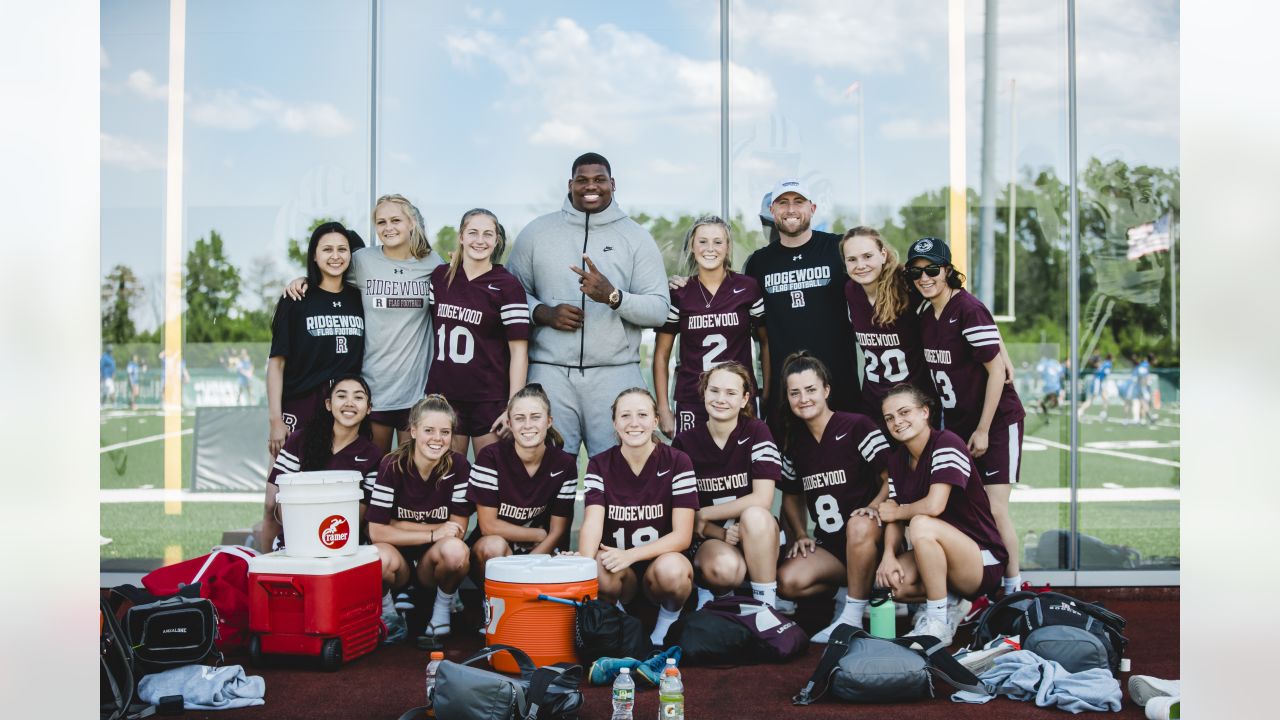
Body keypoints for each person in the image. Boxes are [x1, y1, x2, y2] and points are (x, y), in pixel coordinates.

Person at [507, 152, 670, 458]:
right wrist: (542, 313)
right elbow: (509, 295)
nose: (590, 186)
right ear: (570, 185)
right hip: (550, 372)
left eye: (599, 179)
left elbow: (659, 310)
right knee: (547, 473)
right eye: (582, 180)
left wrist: (613, 296)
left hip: (616, 373)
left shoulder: (635, 237)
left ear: (613, 184)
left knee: (621, 477)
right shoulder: (536, 233)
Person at [906, 236, 1025, 596]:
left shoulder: (968, 309)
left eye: (932, 270)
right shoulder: (926, 312)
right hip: (958, 422)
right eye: (917, 272)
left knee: (994, 507)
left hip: (995, 421)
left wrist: (984, 429)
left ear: (948, 270)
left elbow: (995, 373)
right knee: (965, 508)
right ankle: (978, 587)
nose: (924, 277)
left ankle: (1014, 590)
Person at [287, 194, 443, 452]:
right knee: (372, 477)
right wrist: (305, 281)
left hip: (415, 393)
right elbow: (329, 278)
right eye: (381, 222)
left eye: (395, 220)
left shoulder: (431, 263)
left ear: (411, 222)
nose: (388, 228)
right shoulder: (363, 261)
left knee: (411, 476)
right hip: (373, 391)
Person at [873, 384, 1009, 645]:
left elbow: (934, 506)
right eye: (890, 417)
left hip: (980, 559)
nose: (897, 421)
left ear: (925, 412)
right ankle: (953, 603)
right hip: (939, 551)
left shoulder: (946, 442)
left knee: (922, 524)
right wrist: (888, 556)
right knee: (891, 583)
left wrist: (899, 510)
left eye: (904, 412)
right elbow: (893, 518)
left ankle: (937, 621)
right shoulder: (896, 460)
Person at [773, 352, 891, 643]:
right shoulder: (794, 441)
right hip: (833, 547)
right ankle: (850, 590)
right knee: (788, 582)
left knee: (859, 524)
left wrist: (873, 507)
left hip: (871, 537)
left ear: (826, 390)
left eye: (811, 390)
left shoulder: (857, 426)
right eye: (795, 393)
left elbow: (892, 478)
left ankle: (850, 616)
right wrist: (800, 532)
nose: (804, 398)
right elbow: (790, 496)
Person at [578, 387, 698, 646]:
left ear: (655, 421)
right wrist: (582, 564)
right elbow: (592, 522)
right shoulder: (599, 464)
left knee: (674, 570)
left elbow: (682, 536)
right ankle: (618, 619)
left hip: (658, 570)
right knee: (597, 564)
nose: (634, 423)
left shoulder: (678, 461)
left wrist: (630, 555)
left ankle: (666, 624)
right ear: (614, 423)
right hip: (623, 576)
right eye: (625, 416)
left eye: (642, 415)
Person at [742, 179, 858, 430]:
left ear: (813, 208)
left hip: (839, 384)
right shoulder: (758, 263)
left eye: (798, 202)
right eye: (783, 203)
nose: (791, 209)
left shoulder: (838, 248)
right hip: (786, 390)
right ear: (772, 211)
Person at [671, 362, 781, 608]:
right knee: (725, 569)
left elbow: (762, 499)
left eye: (731, 393)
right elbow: (683, 515)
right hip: (712, 539)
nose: (721, 399)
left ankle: (766, 607)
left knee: (756, 515)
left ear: (744, 400)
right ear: (704, 393)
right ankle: (720, 602)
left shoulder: (757, 431)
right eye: (715, 391)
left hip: (755, 533)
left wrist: (703, 513)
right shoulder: (684, 443)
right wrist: (718, 531)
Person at [366, 395, 473, 638]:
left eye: (445, 432)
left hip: (431, 564)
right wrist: (433, 532)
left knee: (456, 551)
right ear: (413, 430)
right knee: (376, 556)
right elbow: (377, 532)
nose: (437, 438)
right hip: (398, 563)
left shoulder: (458, 466)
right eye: (429, 430)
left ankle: (442, 609)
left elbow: (456, 530)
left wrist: (399, 526)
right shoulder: (391, 464)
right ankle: (388, 614)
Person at [425, 208, 529, 456]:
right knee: (448, 480)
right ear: (461, 237)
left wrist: (513, 406)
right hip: (445, 396)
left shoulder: (508, 286)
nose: (479, 240)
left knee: (490, 480)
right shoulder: (440, 277)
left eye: (487, 234)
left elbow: (519, 352)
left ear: (496, 240)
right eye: (472, 232)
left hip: (489, 398)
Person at [654, 216, 767, 438]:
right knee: (693, 469)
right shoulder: (680, 293)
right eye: (702, 241)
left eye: (718, 242)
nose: (710, 248)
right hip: (692, 399)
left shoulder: (747, 288)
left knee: (740, 467)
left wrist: (765, 395)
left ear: (728, 247)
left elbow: (765, 343)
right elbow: (661, 355)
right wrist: (664, 409)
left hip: (738, 398)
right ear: (692, 246)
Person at [267, 222, 365, 457]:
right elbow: (276, 364)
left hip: (345, 407)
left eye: (342, 249)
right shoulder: (296, 298)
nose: (335, 256)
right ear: (314, 255)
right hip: (302, 403)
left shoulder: (360, 299)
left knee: (340, 486)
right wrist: (275, 420)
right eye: (327, 249)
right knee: (281, 487)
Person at [466, 383, 578, 579]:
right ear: (509, 423)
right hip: (493, 554)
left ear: (549, 421)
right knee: (492, 546)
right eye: (519, 418)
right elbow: (488, 526)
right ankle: (495, 604)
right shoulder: (490, 457)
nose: (528, 425)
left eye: (536, 417)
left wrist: (527, 569)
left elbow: (557, 531)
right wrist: (536, 534)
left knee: (564, 563)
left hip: (540, 553)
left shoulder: (564, 464)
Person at [260, 374, 383, 552]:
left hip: (341, 543)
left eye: (358, 397)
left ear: (369, 408)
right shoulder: (299, 440)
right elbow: (280, 508)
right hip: (297, 540)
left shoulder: (373, 455)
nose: (349, 402)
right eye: (341, 396)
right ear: (328, 404)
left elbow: (355, 518)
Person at [840, 226, 933, 419]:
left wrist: (999, 350)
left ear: (883, 254)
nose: (860, 265)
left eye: (867, 256)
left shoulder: (908, 284)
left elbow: (958, 303)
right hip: (874, 404)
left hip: (914, 405)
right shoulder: (850, 291)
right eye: (852, 260)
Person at [1078, 352, 1113, 419]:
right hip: (1098, 381)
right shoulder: (1108, 364)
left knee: (1105, 397)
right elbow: (1106, 373)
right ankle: (1080, 410)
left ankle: (1103, 412)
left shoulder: (1103, 363)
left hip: (1099, 381)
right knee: (1092, 398)